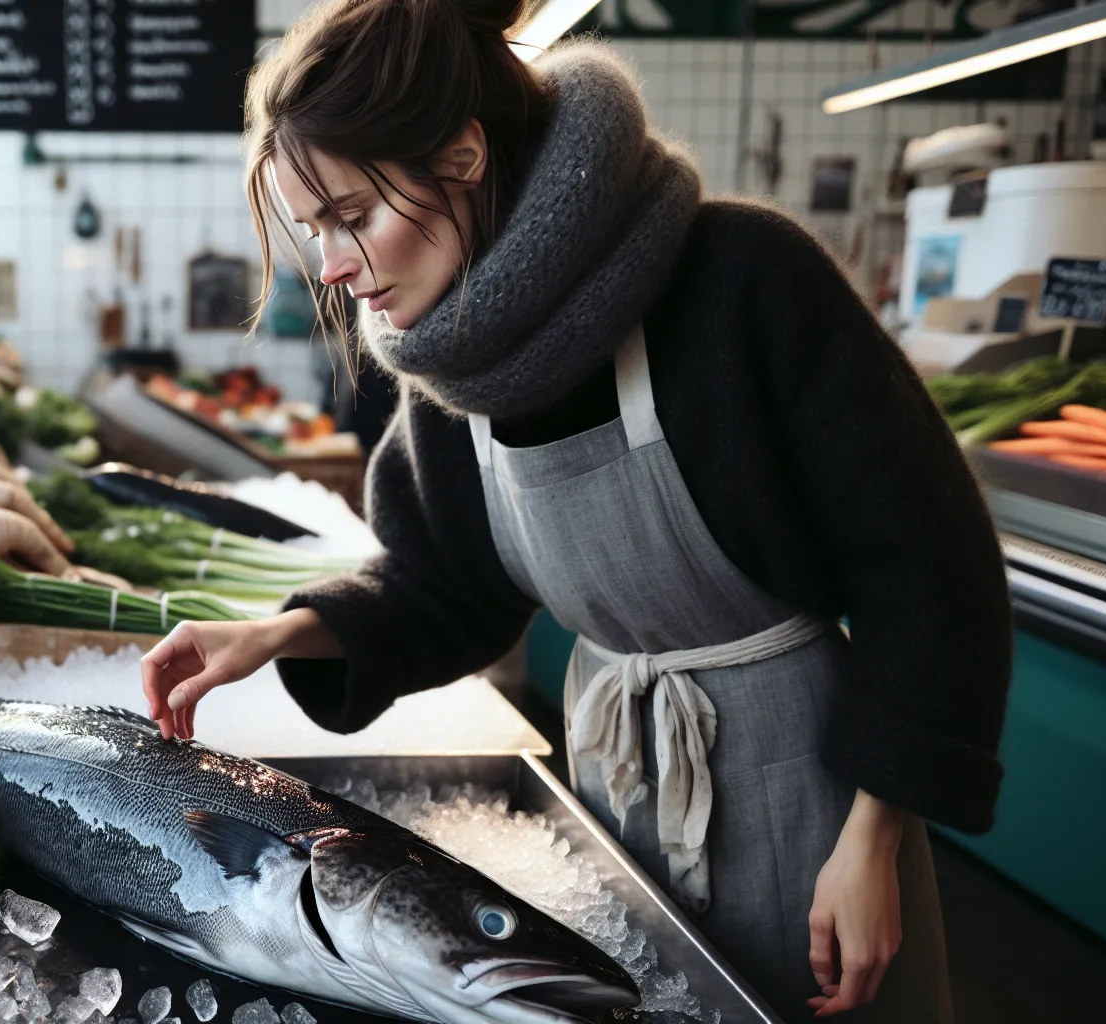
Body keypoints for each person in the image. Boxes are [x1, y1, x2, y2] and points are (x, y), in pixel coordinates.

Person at [141, 3, 1012, 1022]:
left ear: (461, 155)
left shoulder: (741, 281)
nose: (331, 266)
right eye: (316, 229)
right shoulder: (458, 365)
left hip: (806, 804)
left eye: (352, 217)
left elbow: (931, 571)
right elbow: (442, 585)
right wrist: (280, 630)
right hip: (612, 790)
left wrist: (871, 840)